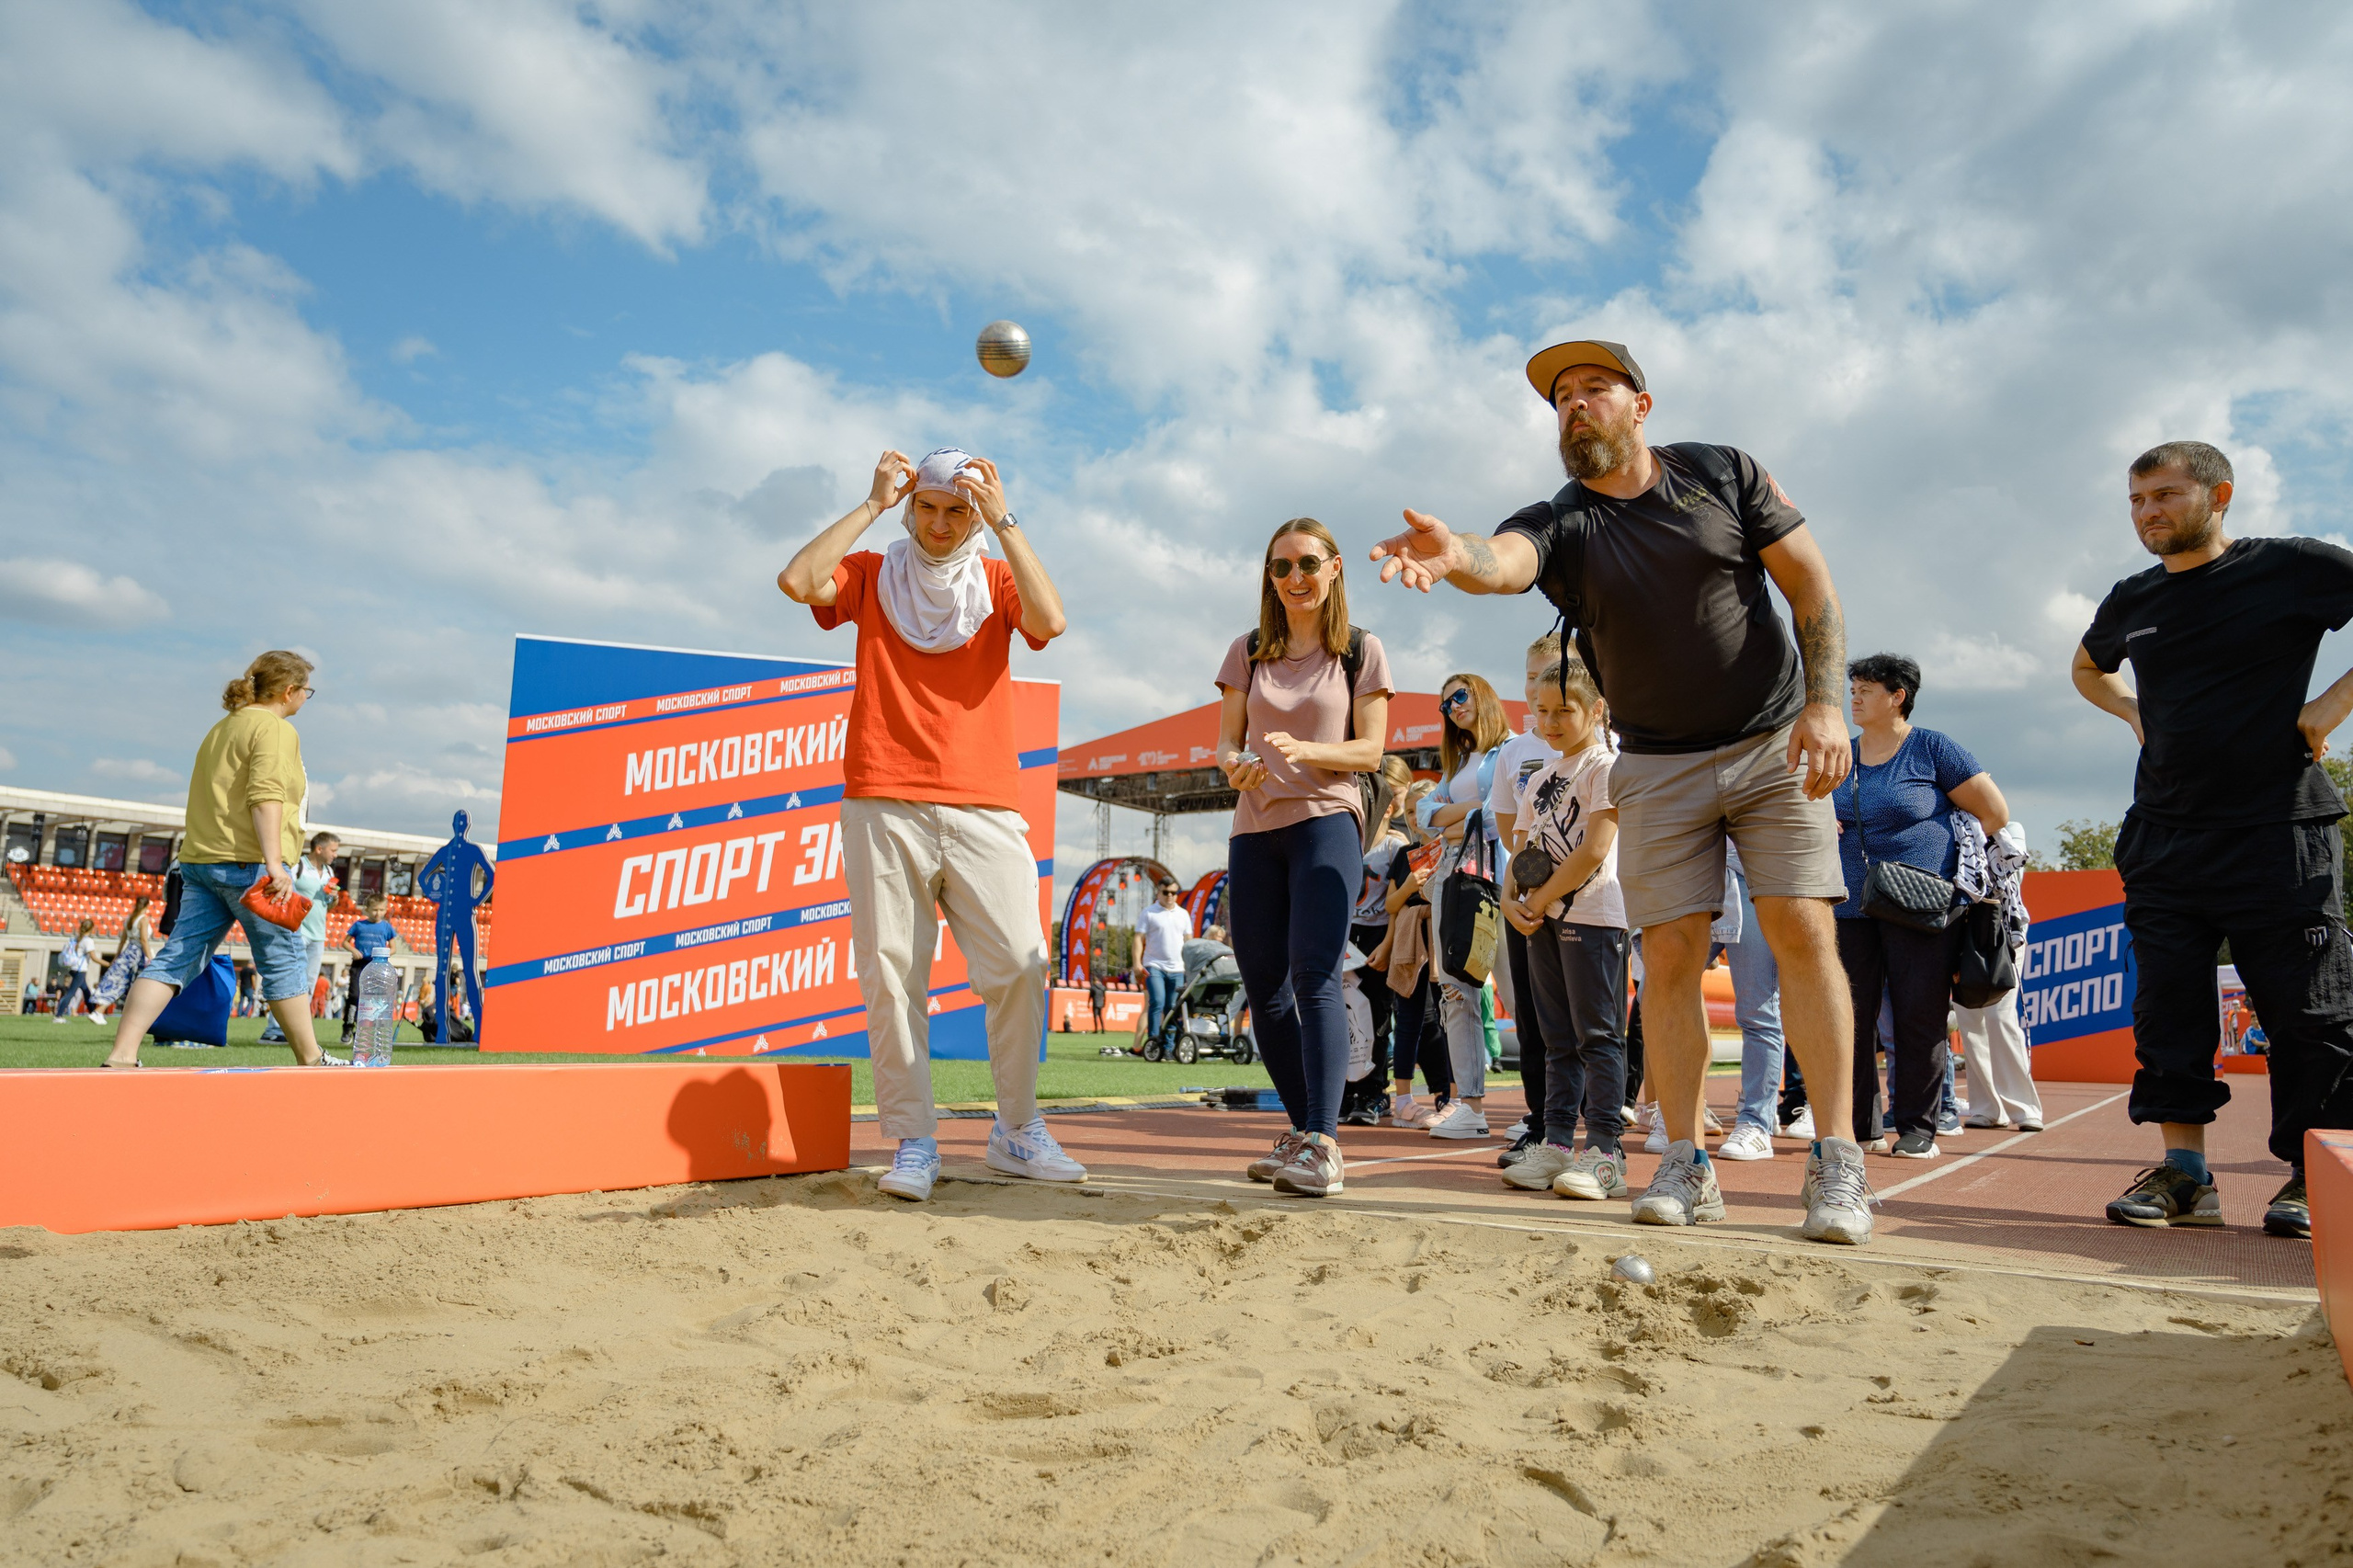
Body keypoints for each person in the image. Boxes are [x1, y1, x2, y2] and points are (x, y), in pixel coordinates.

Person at [1370, 337, 1873, 1244]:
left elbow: (1813, 590)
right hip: (1655, 762)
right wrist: (1455, 553)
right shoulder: (1561, 520)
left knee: (1802, 930)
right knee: (1671, 958)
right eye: (1560, 395)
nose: (1574, 403)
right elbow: (1505, 559)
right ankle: (1683, 1157)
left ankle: (1837, 1158)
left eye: (1593, 387)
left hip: (1768, 743)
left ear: (1640, 405)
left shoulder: (1722, 473)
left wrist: (1827, 704)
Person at [780, 447, 1082, 1202]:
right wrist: (873, 503)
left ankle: (1016, 1129)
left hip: (984, 803)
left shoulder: (996, 576)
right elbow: (797, 581)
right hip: (882, 794)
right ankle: (915, 1141)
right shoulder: (873, 571)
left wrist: (1004, 518)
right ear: (912, 508)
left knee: (1020, 963)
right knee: (891, 975)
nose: (941, 524)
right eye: (929, 508)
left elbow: (1052, 620)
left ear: (975, 514)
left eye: (957, 510)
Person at [2075, 441, 2353, 1239]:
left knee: (2310, 1014)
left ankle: (2312, 1174)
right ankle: (2186, 1176)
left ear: (2218, 494)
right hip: (2163, 838)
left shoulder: (2293, 567)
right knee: (2169, 1009)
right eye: (2135, 500)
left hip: (2279, 831)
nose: (2147, 512)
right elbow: (2087, 668)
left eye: (2163, 495)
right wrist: (2131, 712)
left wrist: (2333, 703)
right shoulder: (2133, 598)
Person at [1216, 517, 1394, 1198]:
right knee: (1264, 986)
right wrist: (1236, 766)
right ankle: (1303, 1133)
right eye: (1282, 566)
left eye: (1308, 564)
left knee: (1315, 974)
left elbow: (1373, 752)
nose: (1296, 578)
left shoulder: (1360, 651)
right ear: (1270, 576)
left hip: (1327, 823)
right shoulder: (1249, 650)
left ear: (1334, 568)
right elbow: (1227, 744)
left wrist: (1307, 751)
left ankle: (1325, 1139)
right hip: (1253, 828)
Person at [102, 651, 337, 1067]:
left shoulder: (222, 728)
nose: (306, 699)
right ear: (289, 691)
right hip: (247, 862)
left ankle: (122, 1054)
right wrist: (275, 864)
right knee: (283, 958)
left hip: (199, 860)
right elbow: (265, 796)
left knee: (177, 957)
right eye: (307, 691)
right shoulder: (276, 729)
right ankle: (312, 1059)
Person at [1832, 654, 2008, 1158]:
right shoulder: (1842, 754)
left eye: (1867, 688)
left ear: (1897, 696)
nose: (1856, 697)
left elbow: (1995, 811)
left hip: (1923, 904)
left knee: (1918, 1016)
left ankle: (1917, 1129)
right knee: (1849, 1015)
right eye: (1854, 688)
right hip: (1850, 906)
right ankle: (1859, 1127)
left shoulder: (1931, 748)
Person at [1502, 657, 1632, 1201]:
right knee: (1556, 1037)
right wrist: (1511, 899)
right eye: (1541, 712)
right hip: (1542, 919)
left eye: (1564, 711)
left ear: (1597, 709)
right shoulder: (1541, 778)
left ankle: (1605, 1150)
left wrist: (1543, 898)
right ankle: (1556, 1143)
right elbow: (1522, 849)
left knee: (1597, 1035)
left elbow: (1595, 849)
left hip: (1593, 916)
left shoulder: (1606, 767)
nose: (1550, 723)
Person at [1415, 673, 1511, 1139]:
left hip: (1499, 878)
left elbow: (1498, 817)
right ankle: (1470, 1107)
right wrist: (1466, 814)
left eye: (1459, 696)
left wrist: (1455, 817)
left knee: (1518, 994)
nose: (1452, 707)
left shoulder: (1509, 750)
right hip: (1451, 879)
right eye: (1445, 704)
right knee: (1455, 991)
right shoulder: (1453, 763)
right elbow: (1421, 815)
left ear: (1482, 696)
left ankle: (1545, 1108)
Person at [1491, 634, 1563, 1161]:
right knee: (1533, 1021)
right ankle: (1541, 1124)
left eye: (1551, 675)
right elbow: (1508, 829)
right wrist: (1512, 895)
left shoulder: (1608, 744)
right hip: (1526, 903)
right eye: (1532, 676)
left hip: (1591, 903)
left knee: (1590, 1023)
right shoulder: (1514, 753)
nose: (1538, 687)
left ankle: (1601, 1134)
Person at [1342, 756, 1415, 1126]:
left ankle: (1373, 1093)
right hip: (1345, 935)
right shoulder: (1347, 837)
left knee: (1376, 1017)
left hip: (1376, 936)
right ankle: (1341, 1091)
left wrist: (1387, 944)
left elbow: (1398, 904)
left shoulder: (1395, 844)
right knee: (1341, 1014)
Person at [1957, 821, 2043, 1133]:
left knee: (2000, 1016)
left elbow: (2008, 874)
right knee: (1969, 1019)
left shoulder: (2009, 829)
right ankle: (1987, 1107)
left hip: (2004, 933)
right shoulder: (1950, 825)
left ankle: (2024, 1108)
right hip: (1962, 933)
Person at [1711, 846, 1789, 1161]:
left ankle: (1756, 1120)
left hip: (1750, 875)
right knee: (1661, 992)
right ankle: (1677, 1119)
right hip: (1693, 874)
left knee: (1758, 1007)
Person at [260, 832, 338, 1045]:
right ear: (319, 849)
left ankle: (296, 1032)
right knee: (290, 979)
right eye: (333, 850)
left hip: (318, 935)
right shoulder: (298, 866)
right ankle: (273, 1029)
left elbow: (328, 906)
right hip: (298, 930)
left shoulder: (329, 872)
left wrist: (333, 898)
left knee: (309, 984)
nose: (335, 854)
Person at [1134, 878, 1193, 1051]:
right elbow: (1138, 938)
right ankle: (1154, 1043)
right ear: (1158, 892)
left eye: (1173, 893)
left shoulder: (1183, 914)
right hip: (1154, 965)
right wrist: (1137, 963)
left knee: (1172, 1007)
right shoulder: (1149, 912)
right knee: (1157, 1002)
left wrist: (1191, 966)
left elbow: (1188, 941)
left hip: (1178, 968)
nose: (1169, 896)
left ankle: (1168, 1047)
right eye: (1165, 892)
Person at [88, 895, 154, 1023]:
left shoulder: (130, 918)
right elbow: (144, 940)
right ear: (147, 906)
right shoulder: (143, 919)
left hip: (128, 951)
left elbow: (122, 940)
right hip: (137, 953)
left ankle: (99, 1011)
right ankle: (101, 1012)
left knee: (121, 983)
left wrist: (116, 956)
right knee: (131, 984)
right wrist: (150, 958)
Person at [342, 892, 397, 1045]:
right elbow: (345, 942)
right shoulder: (359, 925)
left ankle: (367, 1031)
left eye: (381, 910)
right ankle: (348, 1027)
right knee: (354, 996)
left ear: (385, 910)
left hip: (377, 967)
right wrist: (354, 951)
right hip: (359, 965)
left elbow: (393, 948)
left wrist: (382, 955)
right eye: (374, 910)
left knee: (374, 999)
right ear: (366, 910)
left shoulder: (386, 927)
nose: (377, 913)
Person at [51, 919, 101, 1022]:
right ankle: (58, 1016)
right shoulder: (88, 941)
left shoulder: (77, 939)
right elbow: (94, 957)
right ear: (91, 929)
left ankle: (94, 1014)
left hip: (73, 968)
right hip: (80, 970)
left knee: (86, 992)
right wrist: (109, 964)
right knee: (71, 993)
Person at [1087, 961, 1109, 1035]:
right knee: (1101, 1017)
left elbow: (1090, 996)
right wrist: (1104, 1003)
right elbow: (1104, 996)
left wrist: (1088, 1003)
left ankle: (1096, 1029)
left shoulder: (1093, 988)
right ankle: (1103, 1029)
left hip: (1095, 1003)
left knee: (1095, 1017)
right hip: (1101, 1003)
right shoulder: (1103, 987)